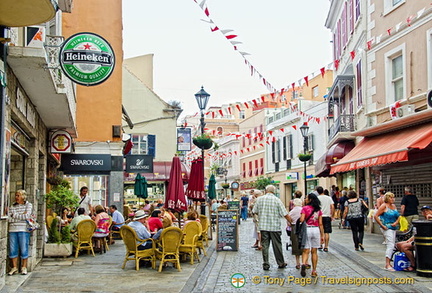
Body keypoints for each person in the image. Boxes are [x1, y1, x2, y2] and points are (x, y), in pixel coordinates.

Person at [252, 185, 291, 271]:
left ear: (266, 191)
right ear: (274, 191)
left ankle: (266, 263)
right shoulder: (277, 200)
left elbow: (254, 211)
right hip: (275, 227)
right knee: (277, 245)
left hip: (263, 226)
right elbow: (284, 213)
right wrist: (291, 222)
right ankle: (280, 262)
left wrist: (261, 216)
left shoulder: (259, 200)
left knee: (265, 245)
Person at [7, 190, 33, 275]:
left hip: (23, 229)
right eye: (16, 195)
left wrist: (14, 215)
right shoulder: (12, 206)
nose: (16, 197)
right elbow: (9, 219)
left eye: (18, 195)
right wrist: (20, 215)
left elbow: (27, 216)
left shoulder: (28, 205)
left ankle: (24, 267)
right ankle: (14, 267)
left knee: (24, 248)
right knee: (12, 248)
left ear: (23, 196)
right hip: (12, 229)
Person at [374, 192, 401, 271]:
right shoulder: (383, 206)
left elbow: (398, 216)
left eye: (393, 197)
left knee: (392, 244)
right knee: (390, 244)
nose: (393, 199)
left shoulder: (393, 206)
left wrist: (396, 223)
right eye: (391, 198)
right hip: (386, 227)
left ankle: (389, 262)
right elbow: (376, 216)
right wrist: (382, 225)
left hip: (393, 228)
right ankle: (387, 264)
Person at [299, 193, 324, 277]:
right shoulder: (318, 210)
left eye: (306, 198)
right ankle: (314, 270)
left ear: (310, 200)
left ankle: (303, 263)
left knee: (306, 250)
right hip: (316, 229)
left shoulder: (305, 208)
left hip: (307, 230)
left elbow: (302, 219)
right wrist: (322, 235)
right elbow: (320, 223)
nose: (305, 199)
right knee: (314, 251)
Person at [317, 186, 334, 252]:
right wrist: (332, 215)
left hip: (319, 216)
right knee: (327, 232)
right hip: (327, 216)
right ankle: (326, 246)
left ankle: (320, 244)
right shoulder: (328, 198)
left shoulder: (317, 198)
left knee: (320, 231)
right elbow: (332, 206)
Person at [288, 198, 303, 269]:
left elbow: (288, 221)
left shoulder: (292, 211)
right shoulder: (303, 210)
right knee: (304, 244)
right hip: (303, 227)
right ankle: (304, 261)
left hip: (294, 227)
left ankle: (297, 262)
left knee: (295, 245)